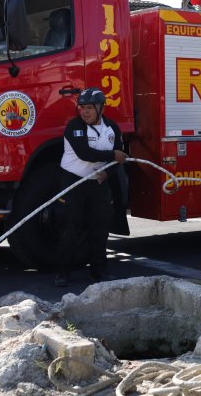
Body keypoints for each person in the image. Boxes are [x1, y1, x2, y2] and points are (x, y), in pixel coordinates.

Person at [54, 87, 129, 287]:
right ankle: (63, 272)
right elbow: (85, 153)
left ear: (100, 108)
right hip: (73, 181)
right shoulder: (74, 127)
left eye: (89, 108)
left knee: (100, 228)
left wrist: (108, 172)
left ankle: (98, 271)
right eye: (82, 107)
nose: (84, 112)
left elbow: (119, 156)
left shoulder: (112, 128)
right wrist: (112, 156)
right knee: (70, 228)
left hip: (98, 183)